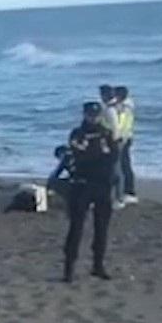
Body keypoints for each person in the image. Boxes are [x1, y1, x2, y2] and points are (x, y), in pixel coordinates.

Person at [62, 101, 118, 283]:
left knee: (102, 228)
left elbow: (113, 156)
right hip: (82, 185)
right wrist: (98, 155)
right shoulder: (77, 134)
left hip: (103, 185)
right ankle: (69, 268)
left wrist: (98, 157)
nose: (93, 118)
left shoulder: (106, 133)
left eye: (96, 115)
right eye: (90, 115)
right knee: (76, 227)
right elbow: (81, 157)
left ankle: (98, 265)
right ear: (84, 115)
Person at [98, 85, 125, 208]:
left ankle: (118, 198)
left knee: (114, 170)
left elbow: (114, 128)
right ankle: (116, 197)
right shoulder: (117, 106)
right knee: (114, 169)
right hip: (117, 141)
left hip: (113, 142)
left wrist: (108, 144)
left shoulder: (109, 110)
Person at [113, 86, 138, 204]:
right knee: (124, 165)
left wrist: (120, 138)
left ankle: (129, 191)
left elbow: (123, 124)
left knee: (124, 165)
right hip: (125, 137)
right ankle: (126, 191)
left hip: (123, 139)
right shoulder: (125, 105)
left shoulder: (125, 107)